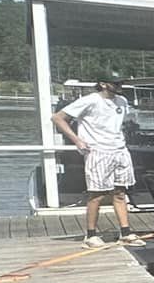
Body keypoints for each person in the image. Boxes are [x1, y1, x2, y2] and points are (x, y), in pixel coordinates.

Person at [53, 76, 143, 246]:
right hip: (98, 151)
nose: (120, 86)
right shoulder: (90, 100)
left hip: (119, 150)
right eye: (116, 83)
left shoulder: (122, 101)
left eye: (121, 83)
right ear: (103, 84)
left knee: (120, 192)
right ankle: (91, 235)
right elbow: (58, 118)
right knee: (97, 194)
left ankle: (125, 232)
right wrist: (77, 140)